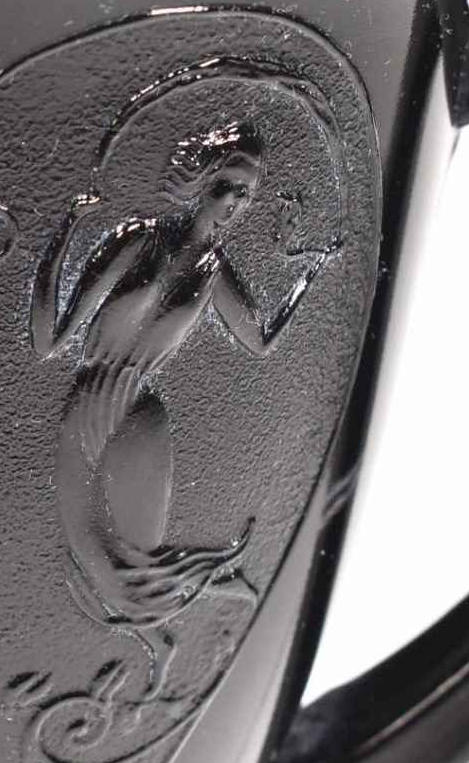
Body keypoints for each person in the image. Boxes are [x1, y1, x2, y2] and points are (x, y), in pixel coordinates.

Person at [31, 120, 335, 655]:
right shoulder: (140, 241)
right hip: (88, 404)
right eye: (228, 186)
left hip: (141, 414)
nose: (235, 203)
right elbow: (49, 341)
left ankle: (181, 626)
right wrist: (65, 233)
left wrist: (309, 273)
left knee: (136, 561)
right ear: (202, 179)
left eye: (246, 194)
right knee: (94, 553)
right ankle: (202, 598)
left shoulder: (213, 272)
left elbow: (260, 341)